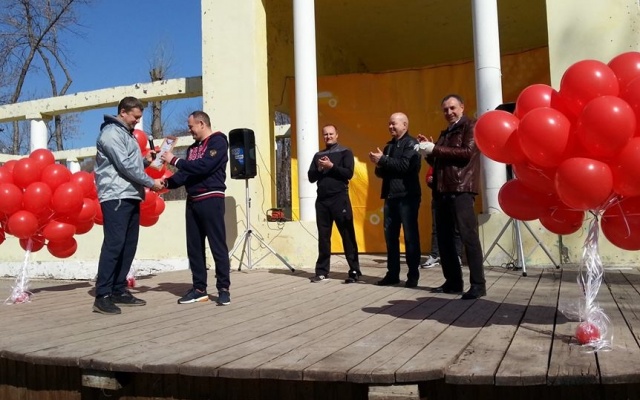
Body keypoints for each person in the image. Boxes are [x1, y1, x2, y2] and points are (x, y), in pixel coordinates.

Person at [93, 96, 165, 315]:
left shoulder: (126, 134)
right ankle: (102, 295)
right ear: (123, 112)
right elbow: (124, 166)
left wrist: (145, 161)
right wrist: (151, 182)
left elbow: (129, 164)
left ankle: (118, 289)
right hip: (115, 196)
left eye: (139, 117)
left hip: (131, 195)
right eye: (135, 117)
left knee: (128, 245)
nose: (137, 121)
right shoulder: (111, 133)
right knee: (114, 244)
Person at [415, 94, 486, 299]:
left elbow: (466, 153)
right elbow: (440, 162)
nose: (449, 112)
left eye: (453, 108)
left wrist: (435, 149)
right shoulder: (446, 132)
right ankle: (453, 282)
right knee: (444, 239)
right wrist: (428, 152)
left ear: (462, 107)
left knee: (468, 236)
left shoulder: (470, 126)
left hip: (461, 188)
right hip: (442, 190)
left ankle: (478, 285)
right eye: (445, 109)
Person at [161, 111, 231, 306]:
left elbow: (205, 166)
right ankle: (199, 288)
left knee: (217, 245)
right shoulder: (192, 149)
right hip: (193, 201)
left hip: (211, 198)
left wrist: (174, 160)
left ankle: (223, 289)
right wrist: (165, 184)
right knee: (194, 247)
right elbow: (186, 174)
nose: (189, 130)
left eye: (191, 126)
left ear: (201, 123)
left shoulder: (218, 141)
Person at [368, 112, 422, 288]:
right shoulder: (389, 147)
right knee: (390, 237)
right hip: (390, 196)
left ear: (405, 125)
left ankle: (413, 275)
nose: (390, 127)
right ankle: (392, 274)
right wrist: (379, 163)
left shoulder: (412, 144)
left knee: (410, 237)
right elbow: (381, 173)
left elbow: (405, 166)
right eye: (389, 124)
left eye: (394, 124)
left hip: (407, 196)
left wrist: (384, 160)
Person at [307, 124, 362, 284]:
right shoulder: (318, 155)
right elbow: (311, 177)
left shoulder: (345, 152)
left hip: (339, 198)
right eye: (325, 134)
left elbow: (348, 173)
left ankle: (354, 270)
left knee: (347, 235)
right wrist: (319, 167)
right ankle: (321, 271)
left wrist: (331, 167)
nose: (328, 137)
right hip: (322, 201)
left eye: (331, 134)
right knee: (324, 237)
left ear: (337, 135)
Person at [421, 166, 463, 268]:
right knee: (436, 228)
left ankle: (457, 256)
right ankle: (434, 255)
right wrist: (431, 180)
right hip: (438, 198)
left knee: (456, 228)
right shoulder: (436, 162)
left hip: (455, 197)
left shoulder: (458, 161)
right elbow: (429, 177)